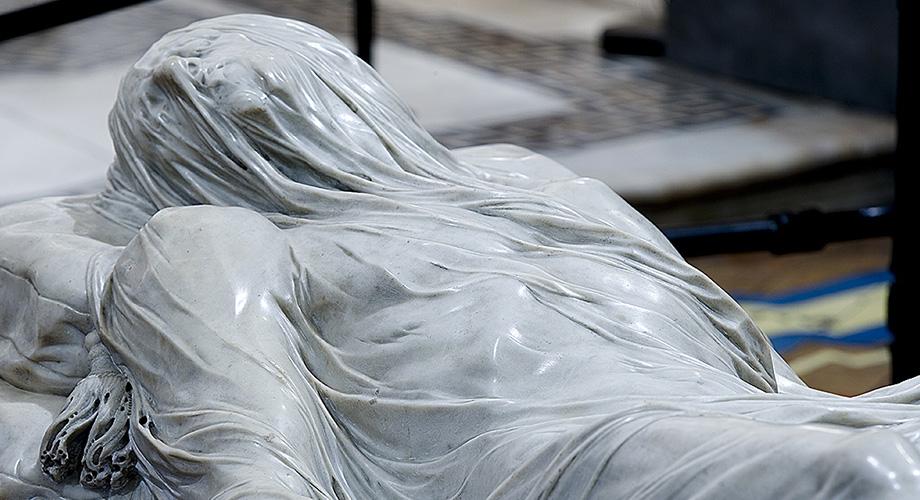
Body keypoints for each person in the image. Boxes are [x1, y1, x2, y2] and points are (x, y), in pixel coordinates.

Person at [2, 14, 919, 499]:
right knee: (866, 479)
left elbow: (757, 371)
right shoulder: (210, 243)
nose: (280, 127)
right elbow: (244, 465)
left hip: (736, 419)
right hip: (570, 455)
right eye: (243, 119)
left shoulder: (522, 184)